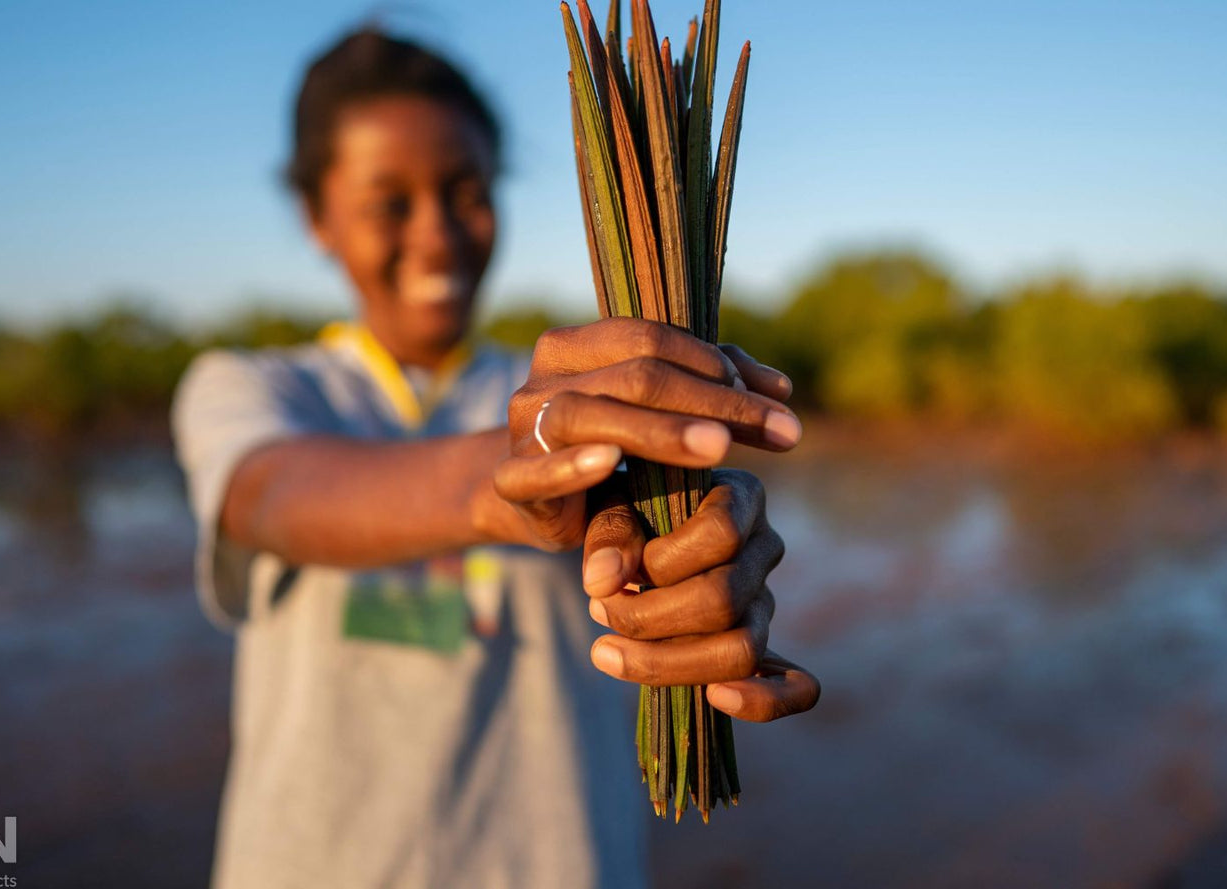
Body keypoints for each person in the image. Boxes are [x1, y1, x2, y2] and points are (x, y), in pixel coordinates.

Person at [171, 26, 819, 889]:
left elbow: (641, 549)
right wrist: (517, 476)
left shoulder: (578, 399)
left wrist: (701, 543)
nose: (437, 234)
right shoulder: (251, 388)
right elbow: (273, 494)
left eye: (466, 191)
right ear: (317, 218)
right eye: (387, 202)